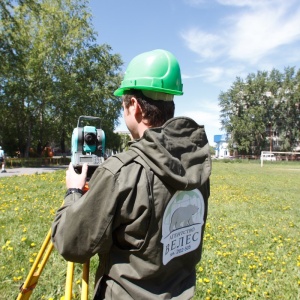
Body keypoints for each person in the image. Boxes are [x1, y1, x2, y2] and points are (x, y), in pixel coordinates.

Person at [51, 49, 211, 299]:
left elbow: (71, 243)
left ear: (134, 106)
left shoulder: (121, 172)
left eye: (123, 104)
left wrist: (73, 192)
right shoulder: (197, 165)